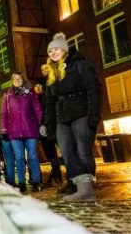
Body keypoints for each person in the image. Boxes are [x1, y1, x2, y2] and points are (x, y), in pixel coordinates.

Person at [43, 32, 103, 202]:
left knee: (83, 150)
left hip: (82, 112)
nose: (53, 53)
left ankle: (87, 190)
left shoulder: (81, 65)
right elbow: (49, 101)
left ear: (64, 50)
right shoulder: (52, 73)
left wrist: (94, 114)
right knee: (67, 153)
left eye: (56, 49)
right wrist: (49, 123)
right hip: (62, 117)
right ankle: (84, 190)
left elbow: (94, 89)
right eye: (50, 51)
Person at [1, 72, 43, 192]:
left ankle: (36, 181)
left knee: (32, 156)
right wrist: (4, 129)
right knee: (19, 157)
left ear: (23, 79)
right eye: (15, 78)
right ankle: (22, 182)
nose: (17, 80)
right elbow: (3, 114)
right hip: (14, 130)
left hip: (30, 128)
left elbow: (38, 110)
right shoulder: (7, 95)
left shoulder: (31, 93)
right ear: (12, 80)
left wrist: (41, 125)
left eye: (19, 78)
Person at [36, 67, 64, 187]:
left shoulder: (55, 83)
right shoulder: (39, 90)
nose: (44, 70)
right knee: (50, 151)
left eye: (46, 68)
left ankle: (72, 176)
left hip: (56, 122)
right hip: (45, 124)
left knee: (65, 149)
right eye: (42, 69)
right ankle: (56, 175)